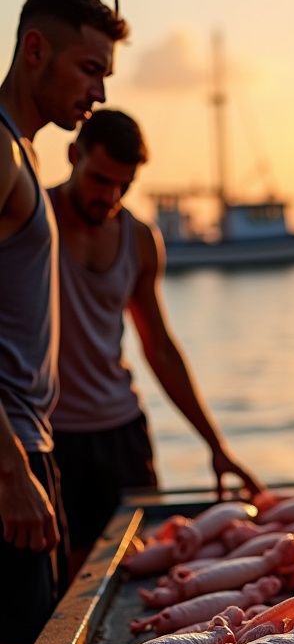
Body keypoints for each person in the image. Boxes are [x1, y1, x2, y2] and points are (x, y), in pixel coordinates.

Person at [48, 108, 263, 578]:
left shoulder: (140, 239)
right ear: (73, 156)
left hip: (121, 433)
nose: (109, 197)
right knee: (61, 582)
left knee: (136, 572)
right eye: (100, 180)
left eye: (123, 186)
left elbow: (159, 348)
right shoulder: (29, 222)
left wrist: (215, 445)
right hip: (49, 437)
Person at [0, 0, 128, 644]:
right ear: (34, 50)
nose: (98, 94)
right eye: (89, 70)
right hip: (11, 456)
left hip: (30, 445)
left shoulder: (25, 152)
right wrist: (12, 472)